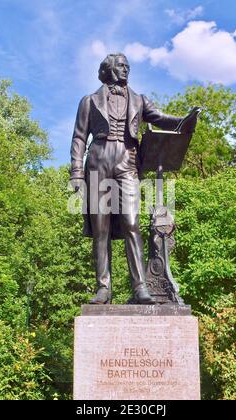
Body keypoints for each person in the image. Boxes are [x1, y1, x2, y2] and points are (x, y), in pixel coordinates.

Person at [70, 53, 185, 305]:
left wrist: (184, 120)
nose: (126, 70)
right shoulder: (89, 101)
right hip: (98, 159)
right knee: (101, 229)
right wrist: (76, 172)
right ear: (109, 70)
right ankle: (103, 288)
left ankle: (140, 287)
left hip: (127, 161)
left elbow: (161, 117)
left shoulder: (139, 100)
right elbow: (79, 137)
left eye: (127, 67)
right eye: (121, 66)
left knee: (131, 223)